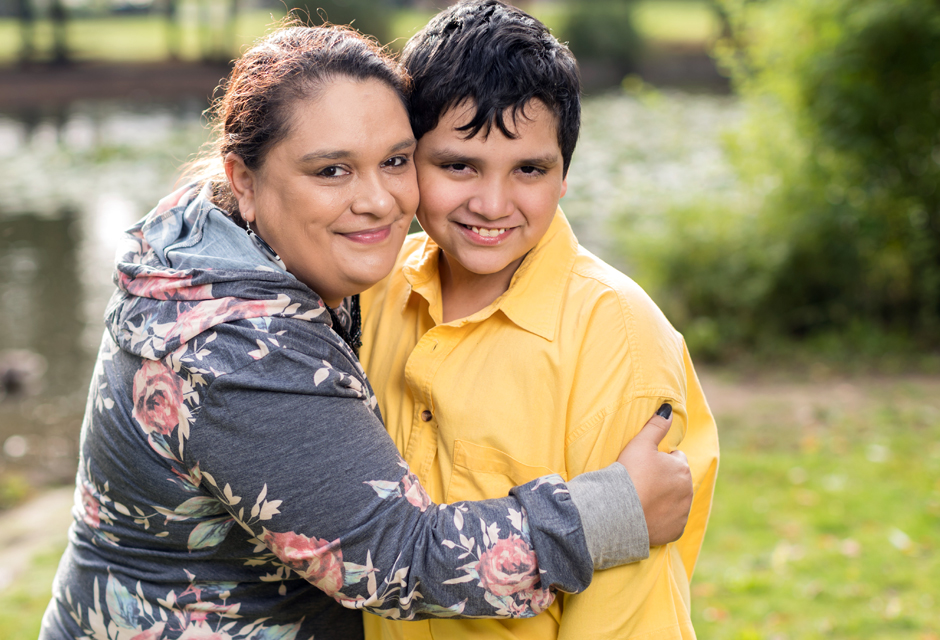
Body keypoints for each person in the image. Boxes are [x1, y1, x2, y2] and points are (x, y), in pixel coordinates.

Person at [39, 22, 693, 640]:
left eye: (395, 161)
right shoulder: (232, 343)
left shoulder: (231, 247)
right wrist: (610, 513)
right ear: (244, 178)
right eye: (332, 170)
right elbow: (393, 555)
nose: (378, 200)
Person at [359, 2, 720, 639]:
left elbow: (627, 612)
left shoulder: (618, 339)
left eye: (529, 169)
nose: (492, 204)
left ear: (564, 175)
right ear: (406, 159)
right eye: (458, 165)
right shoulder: (371, 291)